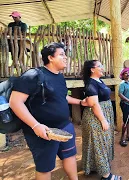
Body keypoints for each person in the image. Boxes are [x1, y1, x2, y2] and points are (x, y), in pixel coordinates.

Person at [9, 42, 87, 180]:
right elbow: (15, 102)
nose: (66, 58)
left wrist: (81, 102)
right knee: (45, 168)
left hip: (65, 127)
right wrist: (36, 125)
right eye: (61, 54)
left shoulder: (60, 76)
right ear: (50, 57)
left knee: (70, 156)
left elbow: (62, 97)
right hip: (43, 131)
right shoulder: (33, 75)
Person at [81, 60, 122, 180]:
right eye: (99, 66)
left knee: (102, 142)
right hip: (96, 117)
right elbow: (94, 104)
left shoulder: (99, 80)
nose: (102, 68)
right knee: (100, 143)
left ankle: (94, 166)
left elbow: (90, 100)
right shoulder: (91, 83)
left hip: (103, 113)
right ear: (92, 69)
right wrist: (103, 120)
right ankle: (106, 176)